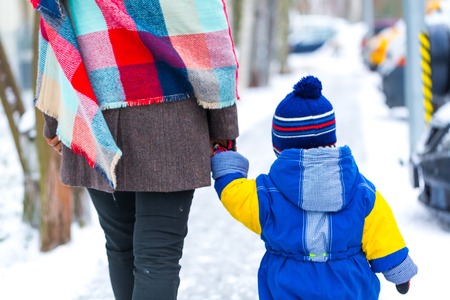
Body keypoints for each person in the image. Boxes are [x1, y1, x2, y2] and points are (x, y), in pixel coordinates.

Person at [31, 0, 239, 299]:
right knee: (159, 254)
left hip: (93, 114)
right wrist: (223, 128)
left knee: (121, 246)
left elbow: (56, 30)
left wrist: (54, 119)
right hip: (172, 121)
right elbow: (212, 48)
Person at [210, 75, 418, 299]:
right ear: (331, 140)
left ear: (279, 147)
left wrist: (226, 161)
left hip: (286, 286)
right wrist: (399, 272)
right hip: (349, 286)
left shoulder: (267, 195)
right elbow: (382, 232)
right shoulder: (362, 192)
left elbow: (235, 195)